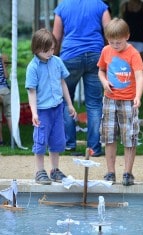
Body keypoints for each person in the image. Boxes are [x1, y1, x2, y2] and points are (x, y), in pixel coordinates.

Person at [52, 0, 111, 156]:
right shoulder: (100, 5)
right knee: (94, 103)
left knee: (65, 99)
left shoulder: (62, 7)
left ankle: (69, 143)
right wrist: (108, 53)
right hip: (95, 56)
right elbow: (110, 31)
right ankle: (94, 148)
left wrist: (52, 58)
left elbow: (56, 37)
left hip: (70, 56)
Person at [25, 29, 77, 185]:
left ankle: (54, 170)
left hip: (57, 108)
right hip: (42, 111)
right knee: (40, 141)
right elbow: (32, 92)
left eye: (52, 49)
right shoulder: (32, 67)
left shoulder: (57, 61)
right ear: (36, 48)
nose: (49, 53)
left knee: (57, 140)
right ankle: (39, 171)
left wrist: (69, 104)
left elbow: (63, 83)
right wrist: (34, 113)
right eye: (45, 50)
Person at [97, 18, 143, 186]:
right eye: (111, 42)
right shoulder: (106, 51)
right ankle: (110, 172)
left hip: (128, 100)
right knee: (109, 136)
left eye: (119, 42)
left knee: (130, 136)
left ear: (127, 36)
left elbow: (139, 76)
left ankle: (127, 173)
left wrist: (138, 96)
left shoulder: (133, 53)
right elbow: (101, 71)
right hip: (110, 99)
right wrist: (104, 82)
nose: (115, 45)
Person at [120, 0, 143, 105]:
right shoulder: (124, 6)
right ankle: (127, 96)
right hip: (127, 41)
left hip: (141, 41)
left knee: (142, 69)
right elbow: (120, 25)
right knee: (126, 70)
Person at [0, 53, 12, 146]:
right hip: (5, 90)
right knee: (10, 116)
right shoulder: (3, 56)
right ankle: (14, 139)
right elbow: (6, 76)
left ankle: (1, 141)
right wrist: (4, 65)